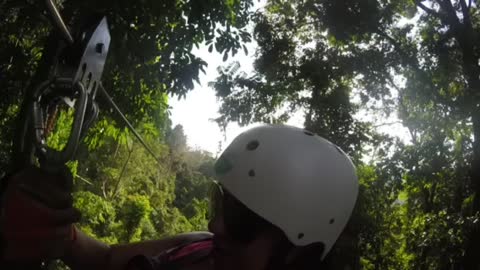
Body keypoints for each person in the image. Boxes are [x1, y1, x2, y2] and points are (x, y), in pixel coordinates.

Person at [0, 124, 358, 270]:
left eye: (241, 220)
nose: (214, 224)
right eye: (220, 203)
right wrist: (64, 238)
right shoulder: (198, 249)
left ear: (298, 253)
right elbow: (108, 260)